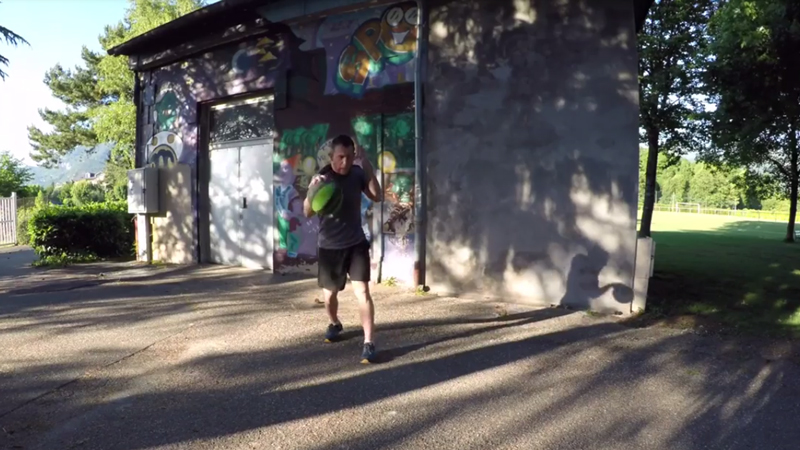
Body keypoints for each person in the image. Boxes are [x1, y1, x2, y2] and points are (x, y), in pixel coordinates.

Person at [304, 134, 383, 364]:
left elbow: (377, 196)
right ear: (332, 156)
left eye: (349, 157)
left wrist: (368, 168)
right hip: (330, 247)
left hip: (356, 244)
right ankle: (334, 322)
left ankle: (369, 342)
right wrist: (311, 191)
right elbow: (307, 212)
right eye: (340, 157)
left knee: (363, 293)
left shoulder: (358, 174)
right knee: (330, 296)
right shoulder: (323, 179)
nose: (345, 162)